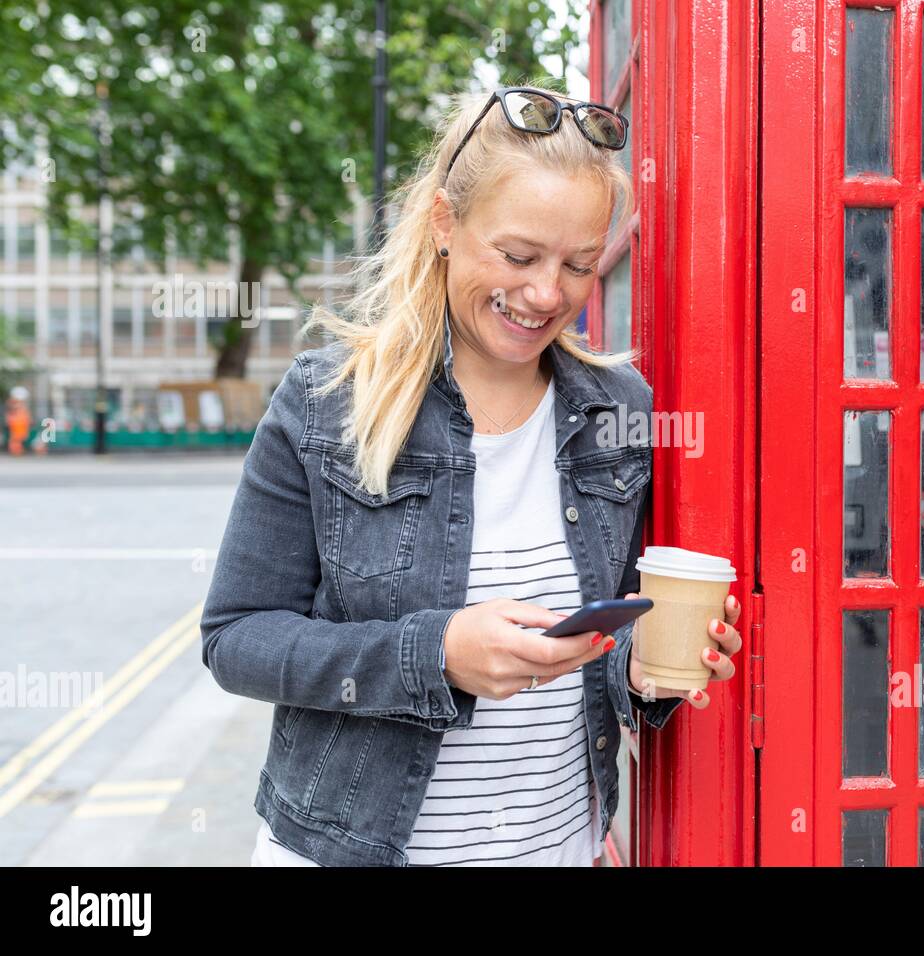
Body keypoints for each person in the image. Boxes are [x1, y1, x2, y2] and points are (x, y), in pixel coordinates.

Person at [200, 85, 743, 867]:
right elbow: (237, 639)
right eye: (520, 256)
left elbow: (605, 636)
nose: (546, 293)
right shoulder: (327, 403)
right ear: (445, 225)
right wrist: (436, 654)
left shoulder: (619, 411)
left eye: (580, 265)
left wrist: (657, 665)